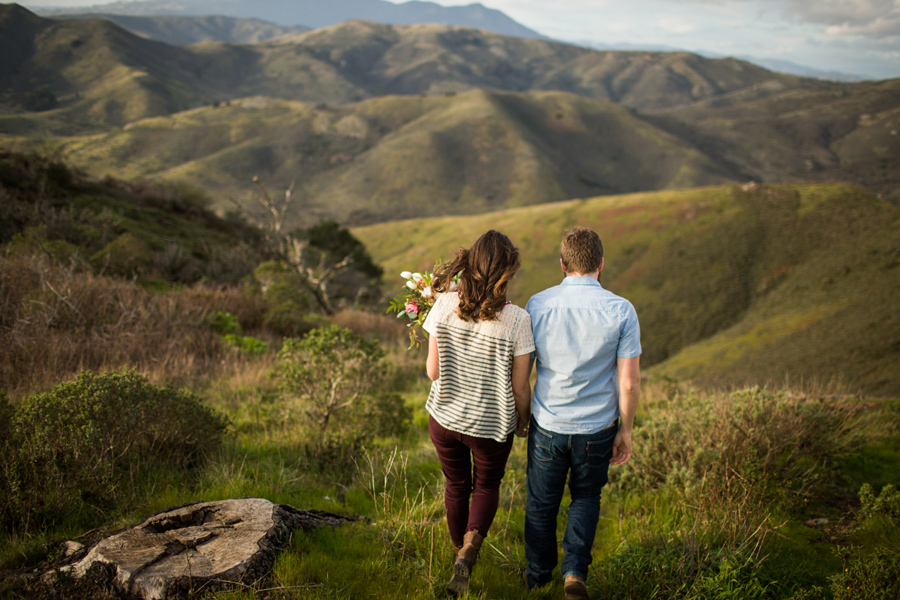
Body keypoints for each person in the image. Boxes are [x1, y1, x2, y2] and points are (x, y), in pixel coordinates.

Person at [524, 226, 641, 600]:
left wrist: (522, 416)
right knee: (587, 498)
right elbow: (629, 382)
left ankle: (538, 578)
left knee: (541, 503)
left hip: (548, 422)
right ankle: (574, 572)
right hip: (597, 427)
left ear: (562, 264)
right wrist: (626, 430)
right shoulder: (621, 309)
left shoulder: (537, 304)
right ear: (601, 263)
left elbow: (523, 371)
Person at [423, 230, 535, 596]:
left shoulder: (443, 304)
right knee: (486, 485)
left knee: (456, 485)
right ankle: (469, 549)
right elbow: (521, 386)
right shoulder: (518, 320)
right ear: (507, 271)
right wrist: (523, 422)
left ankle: (460, 551)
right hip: (490, 426)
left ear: (470, 263)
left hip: (444, 417)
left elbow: (433, 372)